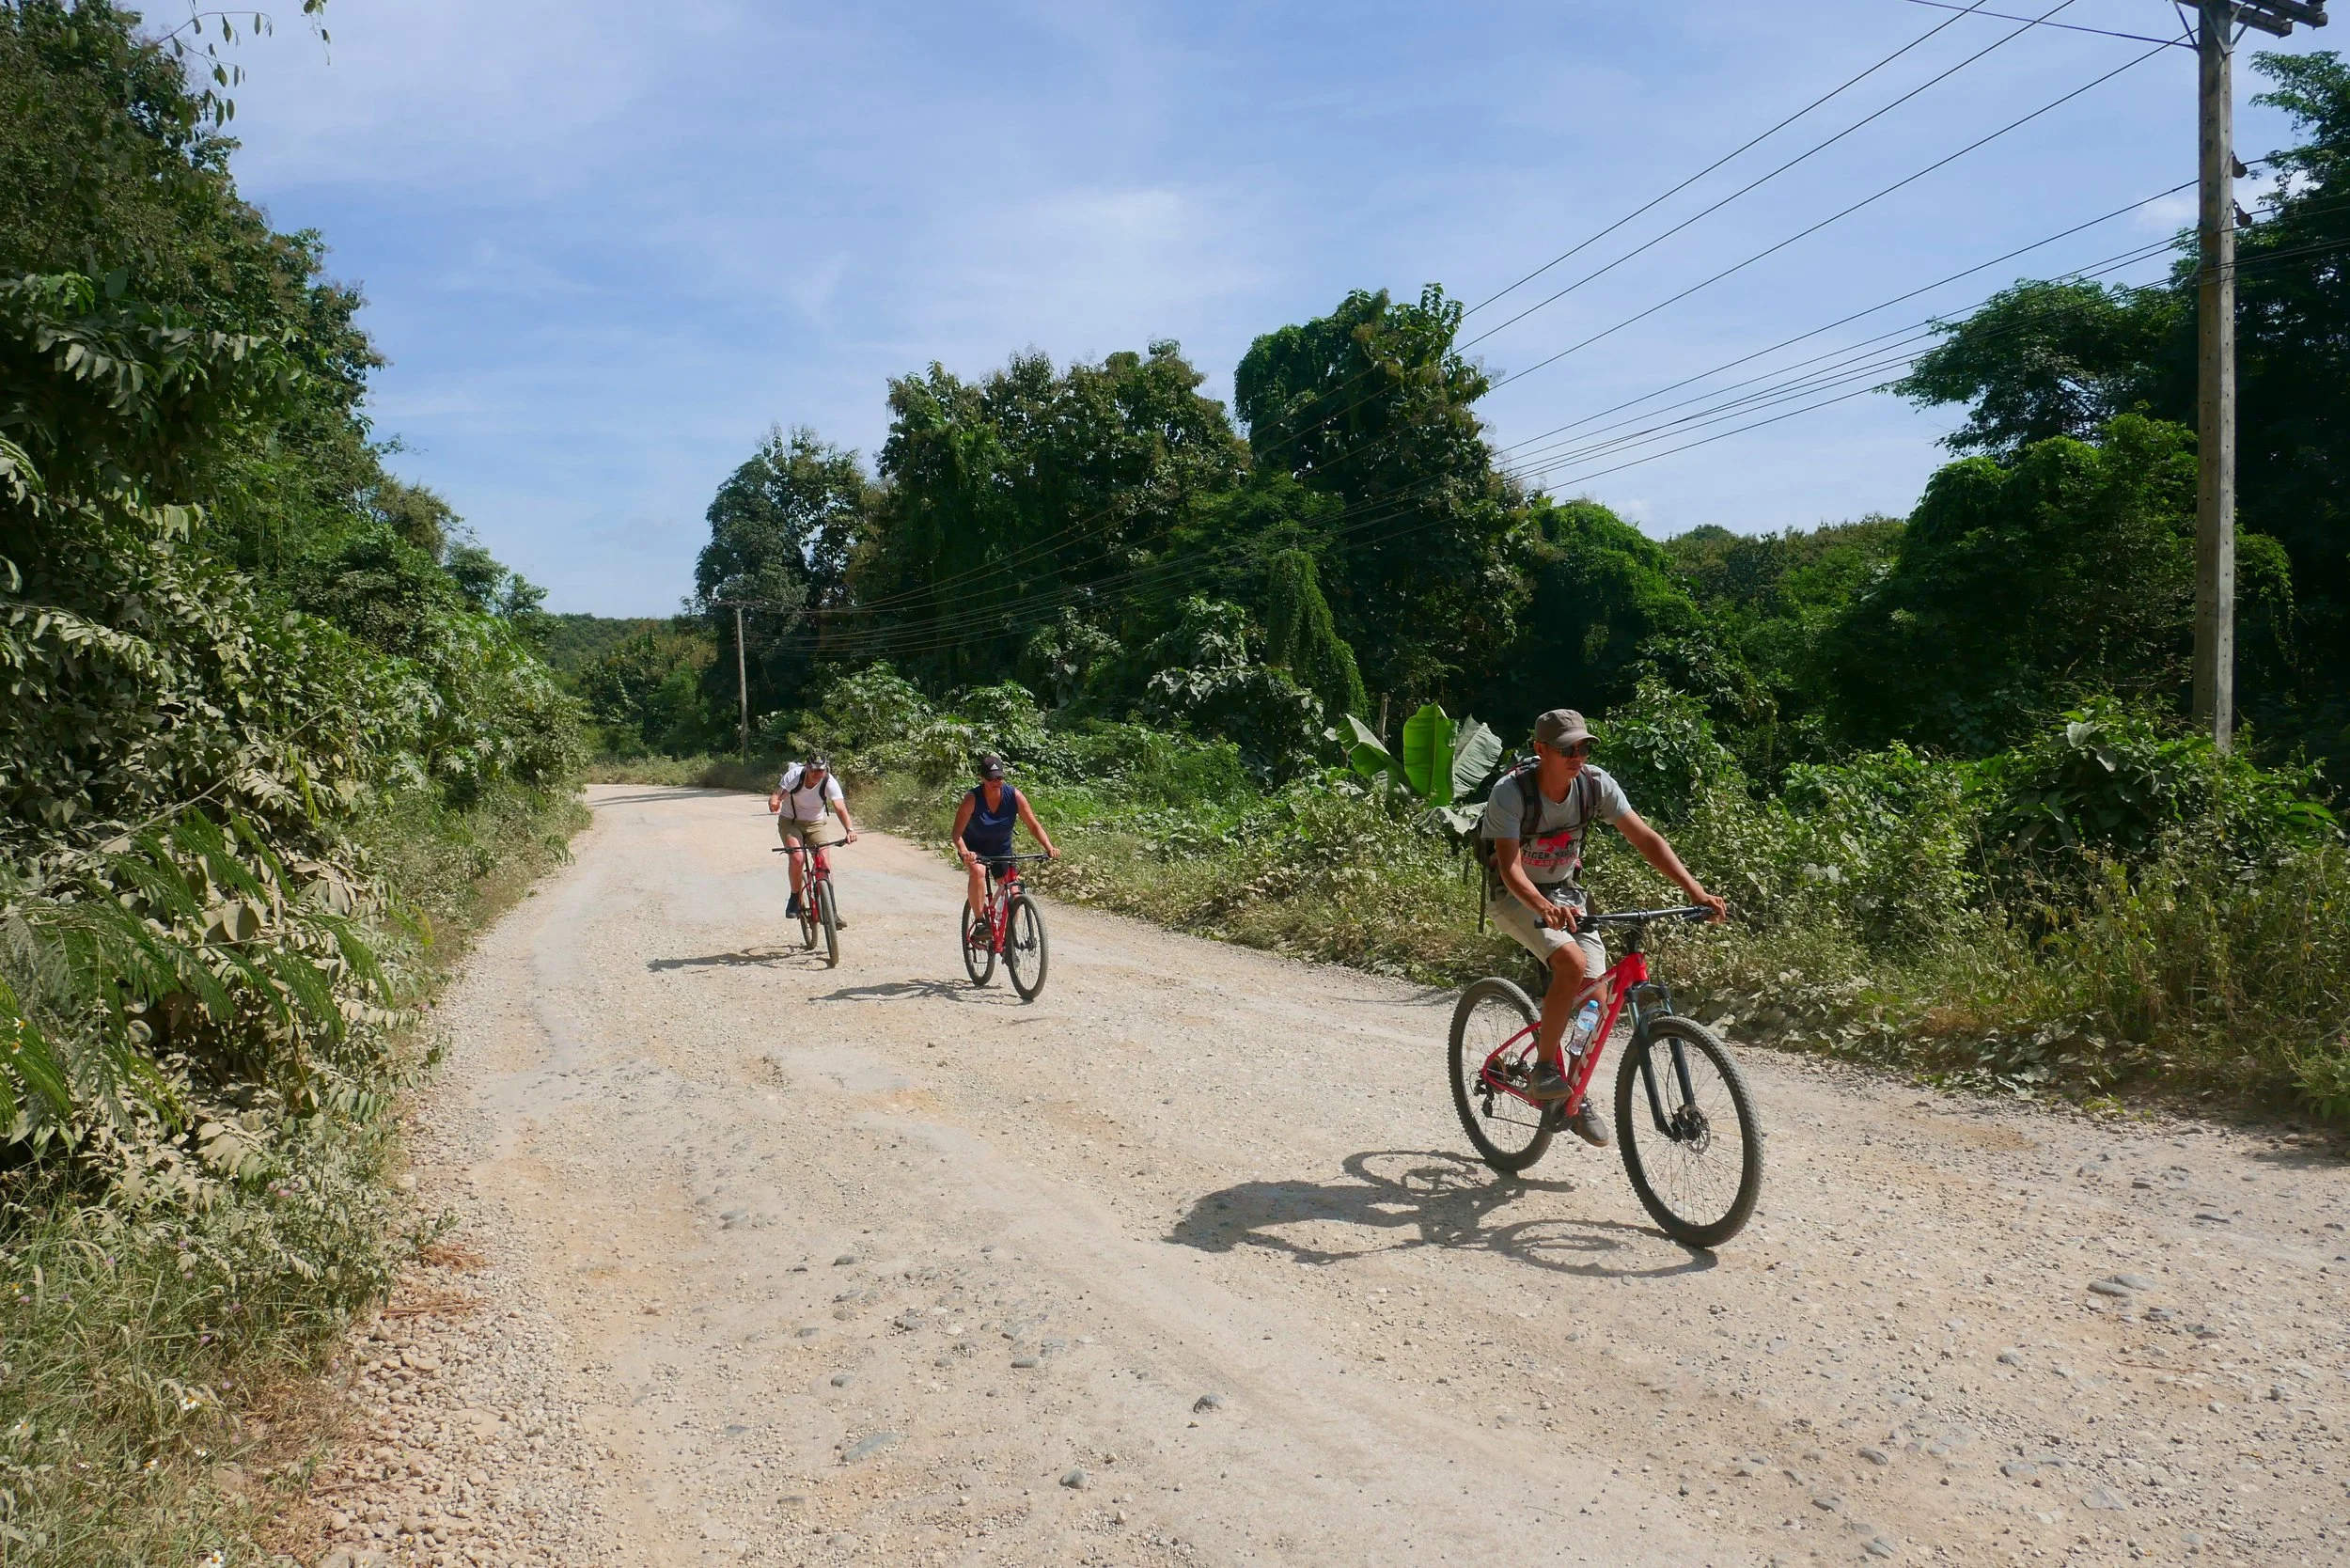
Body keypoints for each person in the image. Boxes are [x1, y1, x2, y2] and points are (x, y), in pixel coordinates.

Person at [1480, 708, 1727, 1145]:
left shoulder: (1595, 786)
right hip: (1515, 896)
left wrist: (1696, 892)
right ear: (1541, 750)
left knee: (1596, 993)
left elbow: (1646, 839)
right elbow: (1510, 867)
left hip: (1567, 894)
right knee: (1571, 963)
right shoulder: (1511, 792)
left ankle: (1570, 1096)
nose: (1578, 755)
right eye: (1566, 748)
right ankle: (1544, 1071)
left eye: (1584, 746)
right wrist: (1542, 905)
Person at [951, 753, 1058, 920]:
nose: (996, 782)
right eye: (991, 778)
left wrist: (1049, 847)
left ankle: (1008, 939)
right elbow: (956, 833)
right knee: (978, 872)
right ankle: (980, 921)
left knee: (1014, 893)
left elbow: (1033, 825)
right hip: (974, 849)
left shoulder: (1014, 796)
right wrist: (965, 852)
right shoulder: (971, 799)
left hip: (1001, 849)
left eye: (999, 778)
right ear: (982, 778)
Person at [768, 756, 859, 926]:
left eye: (821, 771)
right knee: (797, 857)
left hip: (815, 823)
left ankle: (832, 912)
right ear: (807, 768)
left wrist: (849, 830)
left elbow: (840, 807)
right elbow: (776, 796)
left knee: (825, 863)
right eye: (815, 770)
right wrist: (774, 803)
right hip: (790, 822)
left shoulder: (829, 781)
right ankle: (795, 898)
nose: (818, 774)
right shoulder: (794, 776)